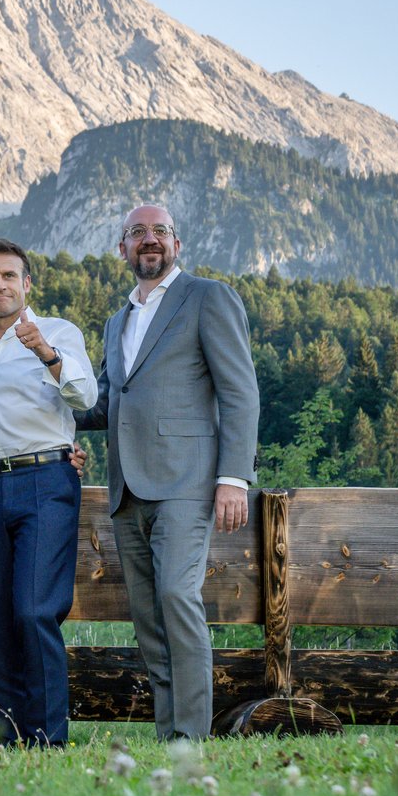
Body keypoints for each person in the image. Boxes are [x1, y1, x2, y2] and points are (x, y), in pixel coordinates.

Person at [77, 204, 259, 740]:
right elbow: (108, 401)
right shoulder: (118, 321)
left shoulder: (208, 297)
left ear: (177, 244)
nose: (148, 240)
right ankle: (168, 734)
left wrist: (234, 477)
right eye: (137, 233)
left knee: (178, 598)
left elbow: (240, 391)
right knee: (149, 617)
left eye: (159, 232)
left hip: (188, 484)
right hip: (127, 491)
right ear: (122, 250)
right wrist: (47, 425)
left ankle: (192, 737)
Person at [0, 237, 97, 748]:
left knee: (35, 609)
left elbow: (85, 396)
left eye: (9, 276)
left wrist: (45, 352)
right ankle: (11, 736)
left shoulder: (59, 332)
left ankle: (48, 738)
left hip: (44, 482)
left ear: (27, 283)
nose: (0, 285)